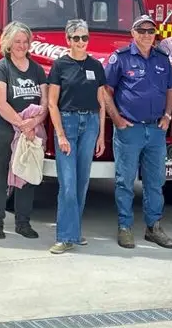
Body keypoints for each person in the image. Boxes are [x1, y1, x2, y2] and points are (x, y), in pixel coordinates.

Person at [101, 15, 172, 249]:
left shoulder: (163, 59)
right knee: (125, 181)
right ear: (132, 33)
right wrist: (116, 118)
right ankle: (125, 227)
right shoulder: (121, 58)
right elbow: (105, 90)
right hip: (129, 129)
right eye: (141, 30)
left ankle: (153, 227)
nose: (146, 34)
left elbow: (170, 90)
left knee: (155, 181)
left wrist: (167, 116)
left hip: (156, 130)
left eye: (150, 30)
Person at [45, 19, 105, 254]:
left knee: (82, 182)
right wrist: (60, 134)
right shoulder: (60, 66)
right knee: (68, 183)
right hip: (67, 123)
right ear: (67, 40)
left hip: (90, 123)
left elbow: (101, 102)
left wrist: (100, 135)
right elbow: (51, 103)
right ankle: (64, 236)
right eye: (76, 38)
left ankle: (75, 232)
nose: (81, 42)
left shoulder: (96, 66)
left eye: (85, 37)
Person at [0, 22, 48, 240]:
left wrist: (34, 123)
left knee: (27, 174)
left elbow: (45, 102)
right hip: (2, 130)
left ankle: (23, 222)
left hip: (31, 131)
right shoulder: (0, 69)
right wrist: (22, 125)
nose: (21, 45)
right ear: (8, 43)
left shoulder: (37, 69)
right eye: (17, 41)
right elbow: (0, 103)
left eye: (25, 41)